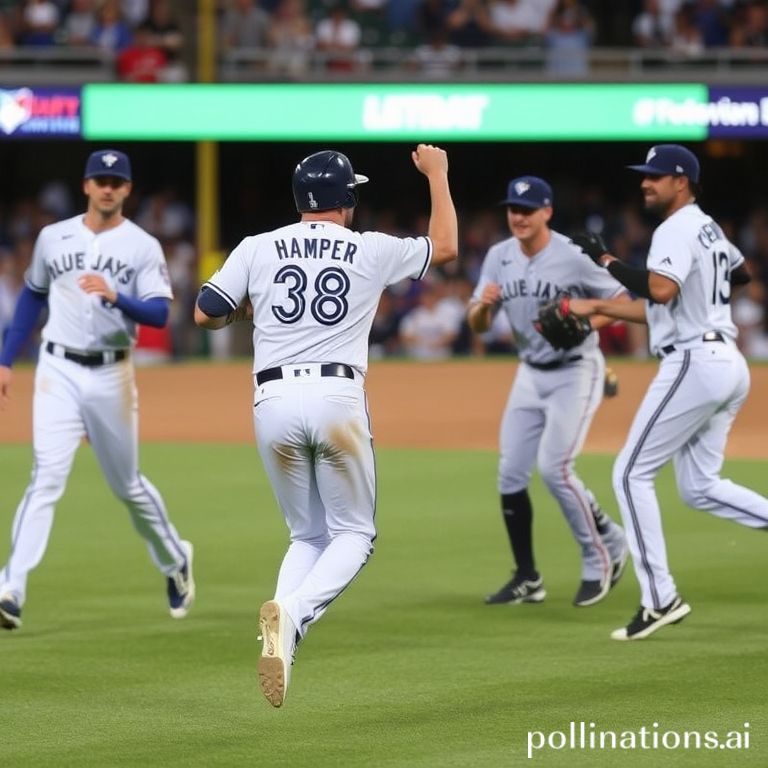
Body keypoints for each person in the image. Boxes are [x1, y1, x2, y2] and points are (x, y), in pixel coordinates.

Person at [194, 144, 457, 707]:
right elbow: (449, 247)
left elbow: (205, 311)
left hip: (273, 400)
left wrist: (249, 310)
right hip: (336, 397)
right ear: (347, 201)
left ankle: (282, 637)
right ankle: (290, 615)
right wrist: (436, 175)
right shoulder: (370, 249)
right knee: (355, 534)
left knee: (306, 533)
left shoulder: (257, 247)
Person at [568, 144, 768, 640]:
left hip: (696, 361)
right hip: (725, 360)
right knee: (698, 486)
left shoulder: (676, 228)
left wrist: (605, 258)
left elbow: (659, 292)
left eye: (656, 176)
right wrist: (599, 306)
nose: (645, 183)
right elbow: (739, 275)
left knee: (630, 473)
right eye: (645, 176)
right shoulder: (709, 227)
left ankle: (661, 599)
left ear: (683, 181)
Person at [0, 149, 195, 631]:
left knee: (126, 486)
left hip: (112, 373)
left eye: (116, 181)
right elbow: (32, 296)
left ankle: (175, 560)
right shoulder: (53, 237)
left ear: (127, 189)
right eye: (100, 179)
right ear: (86, 185)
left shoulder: (142, 245)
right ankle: (11, 589)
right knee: (45, 475)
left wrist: (116, 296)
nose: (107, 188)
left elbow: (158, 313)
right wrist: (5, 358)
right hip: (57, 368)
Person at [466, 175, 629, 609]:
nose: (518, 217)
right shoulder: (499, 256)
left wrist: (584, 325)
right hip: (529, 372)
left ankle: (602, 559)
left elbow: (622, 301)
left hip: (576, 370)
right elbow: (476, 324)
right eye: (513, 209)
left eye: (527, 210)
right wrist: (484, 306)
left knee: (555, 470)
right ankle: (527, 577)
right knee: (510, 474)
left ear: (547, 212)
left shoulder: (573, 256)